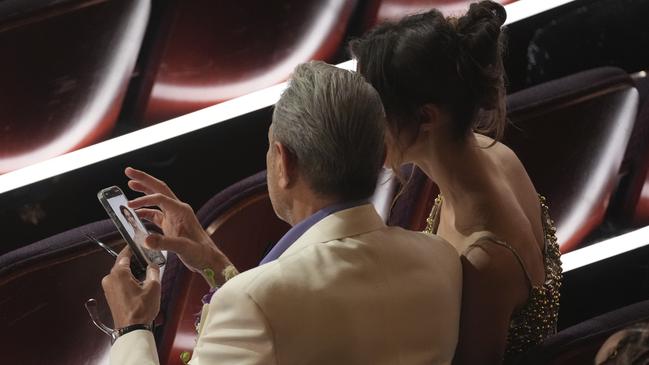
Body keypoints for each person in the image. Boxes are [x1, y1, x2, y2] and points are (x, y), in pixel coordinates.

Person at [101, 61, 463, 364]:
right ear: (383, 157)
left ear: (283, 162)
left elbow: (276, 311)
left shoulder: (253, 302)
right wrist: (215, 264)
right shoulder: (440, 257)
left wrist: (132, 329)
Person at [348, 1, 562, 363]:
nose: (364, 125)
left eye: (375, 111)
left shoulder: (485, 259)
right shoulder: (493, 154)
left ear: (426, 117)